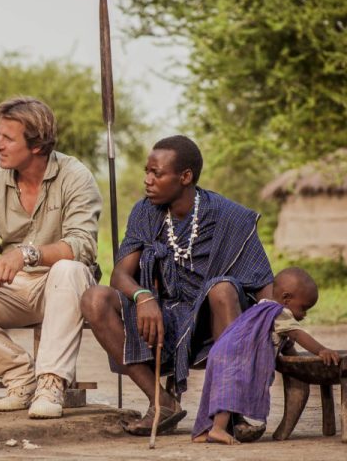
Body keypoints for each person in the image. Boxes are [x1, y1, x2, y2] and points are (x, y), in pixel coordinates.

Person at [81, 135, 274, 436]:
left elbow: (264, 285)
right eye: (147, 171)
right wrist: (144, 297)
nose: (147, 180)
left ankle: (228, 414)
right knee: (95, 299)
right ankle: (162, 402)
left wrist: (272, 326)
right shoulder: (146, 212)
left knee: (222, 289)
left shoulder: (228, 216)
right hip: (162, 315)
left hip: (214, 322)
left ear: (185, 177)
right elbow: (120, 275)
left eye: (156, 173)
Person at [0, 96, 102, 419]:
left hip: (61, 287)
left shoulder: (75, 176)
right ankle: (21, 377)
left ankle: (51, 382)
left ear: (37, 146)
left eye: (7, 138)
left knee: (69, 269)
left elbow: (83, 245)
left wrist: (26, 254)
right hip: (12, 288)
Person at [192, 267, 340, 445]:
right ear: (286, 299)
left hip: (221, 347)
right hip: (237, 354)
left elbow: (282, 341)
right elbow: (298, 335)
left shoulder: (262, 306)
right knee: (231, 391)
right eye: (304, 308)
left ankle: (202, 432)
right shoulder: (280, 312)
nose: (304, 315)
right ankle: (218, 429)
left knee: (215, 389)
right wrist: (321, 350)